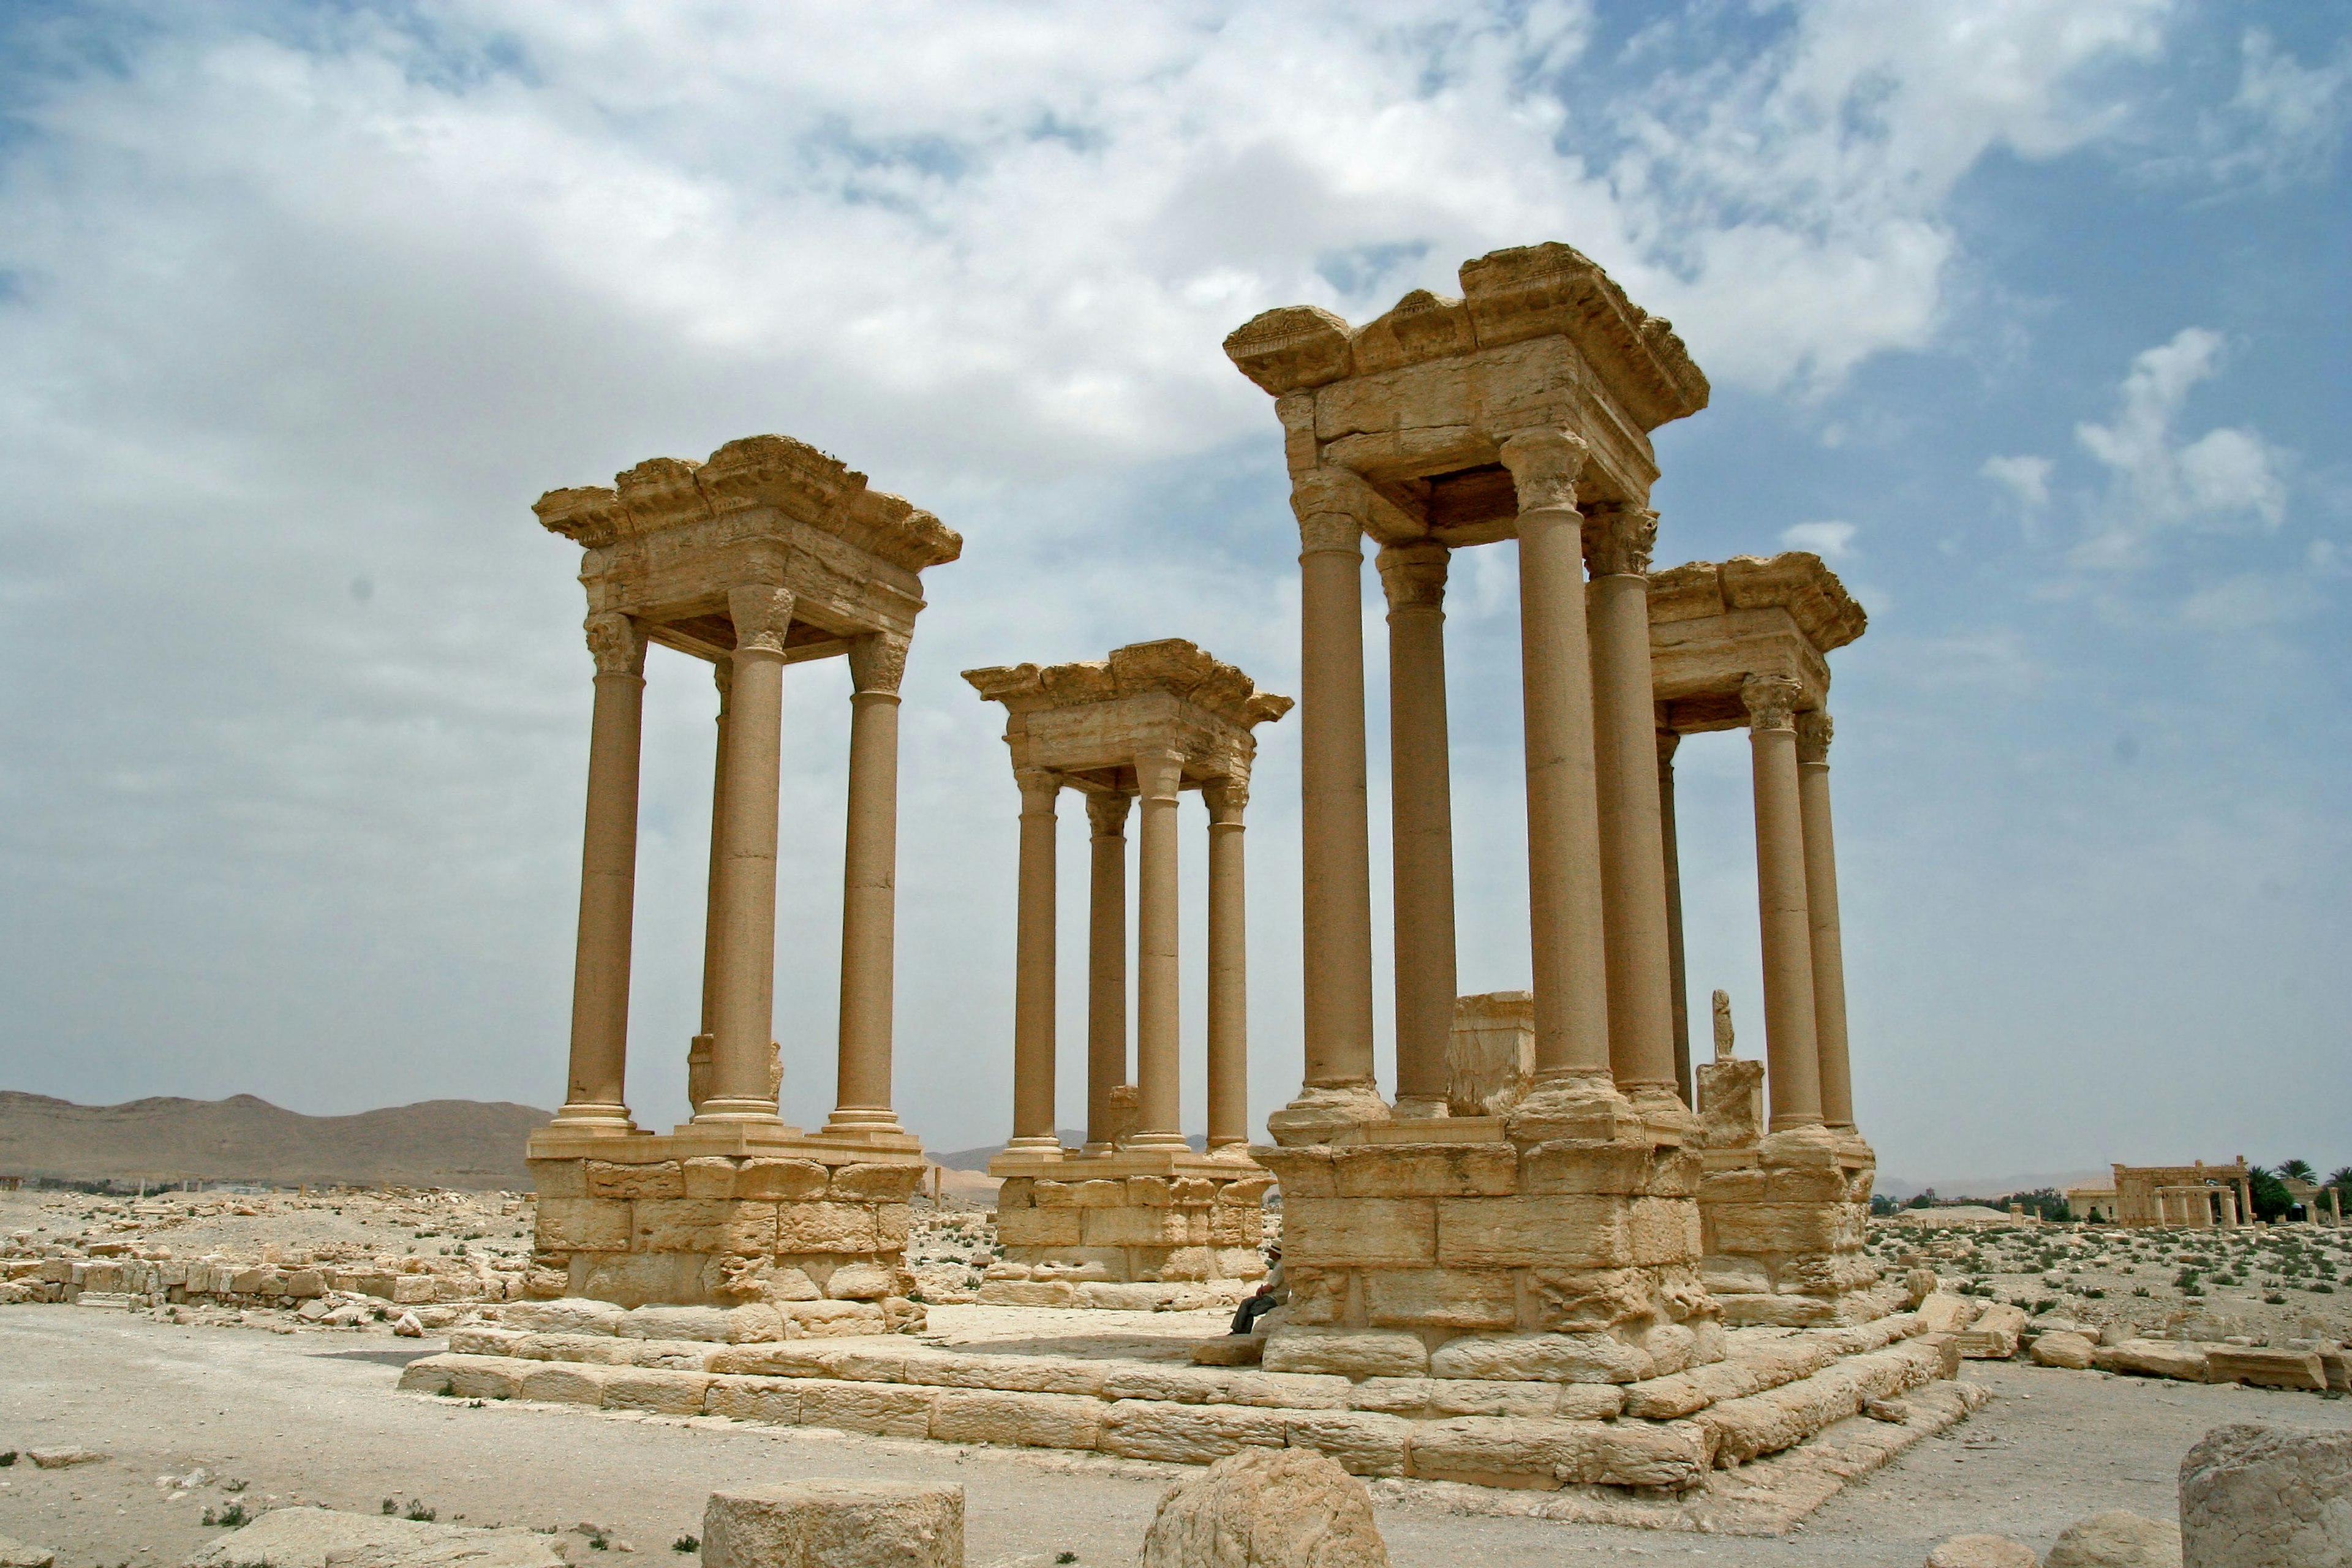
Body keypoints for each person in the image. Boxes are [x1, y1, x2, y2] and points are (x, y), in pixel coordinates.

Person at [1229, 1244, 1285, 1335]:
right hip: (1275, 1296)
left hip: (1275, 1298)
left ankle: (1239, 1331)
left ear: (1275, 1253)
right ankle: (1240, 1331)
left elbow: (1270, 1287)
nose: (1269, 1253)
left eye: (1270, 1251)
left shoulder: (1280, 1267)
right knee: (1247, 1304)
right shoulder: (1281, 1265)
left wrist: (1261, 1290)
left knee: (1250, 1308)